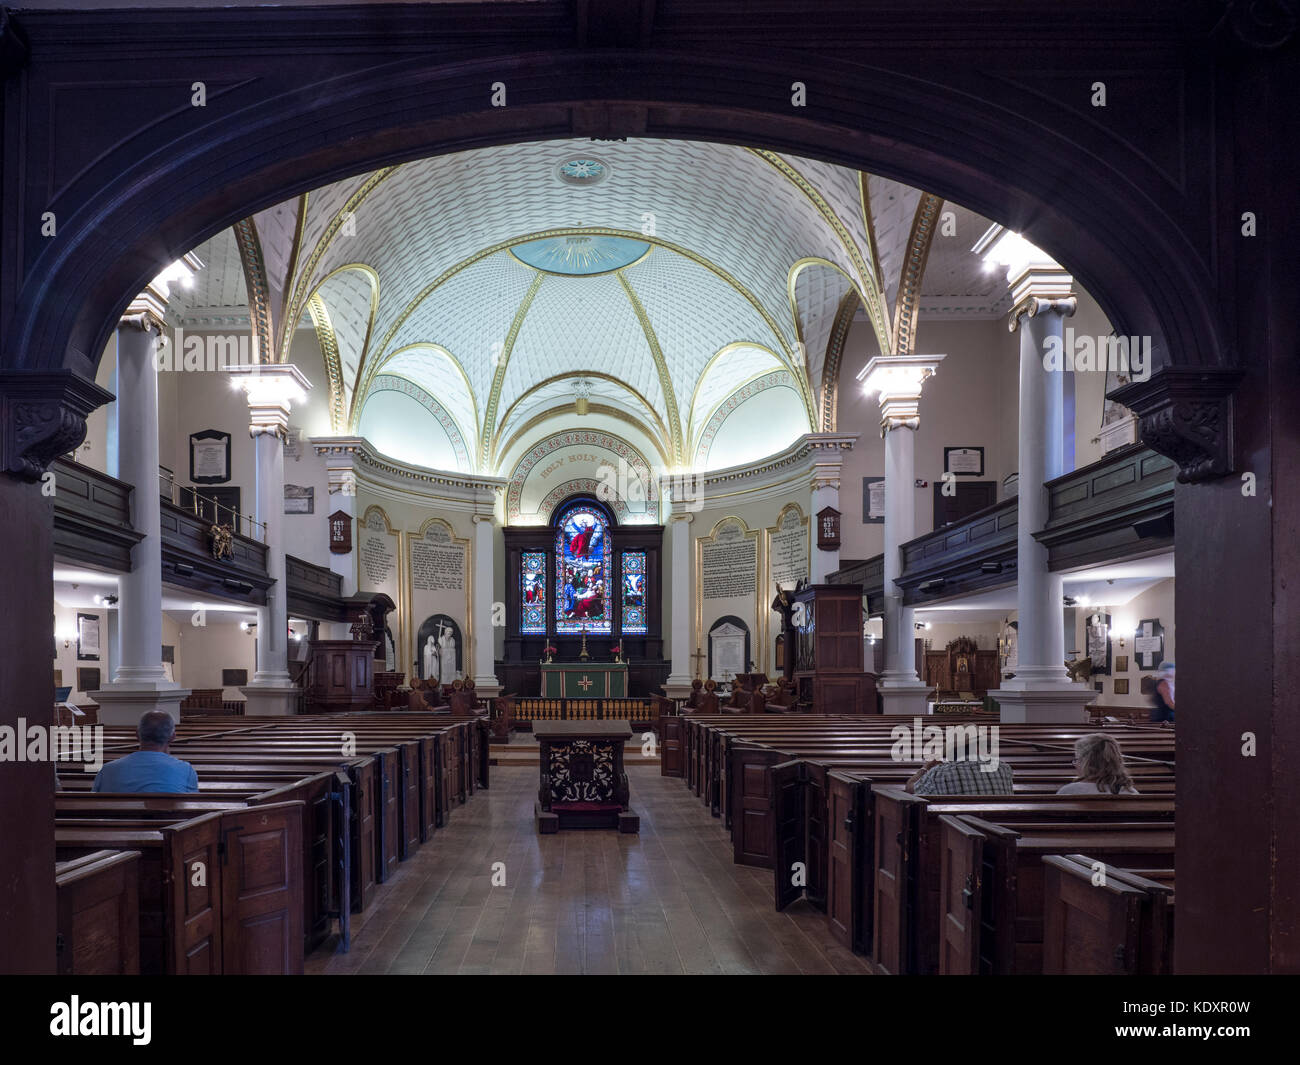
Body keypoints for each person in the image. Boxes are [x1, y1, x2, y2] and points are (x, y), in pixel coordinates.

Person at [93, 710, 198, 793]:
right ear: (172, 737)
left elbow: (94, 805)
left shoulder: (107, 770)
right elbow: (192, 805)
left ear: (137, 735)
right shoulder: (185, 770)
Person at [1056, 733, 1139, 795]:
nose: (1075, 764)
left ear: (1086, 763)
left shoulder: (1068, 791)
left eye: (1077, 760)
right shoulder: (1130, 793)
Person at [905, 756, 1013, 795]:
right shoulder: (1004, 768)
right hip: (1006, 831)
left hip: (959, 833)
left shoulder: (940, 773)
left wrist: (925, 768)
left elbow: (910, 787)